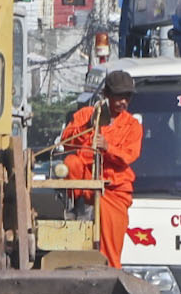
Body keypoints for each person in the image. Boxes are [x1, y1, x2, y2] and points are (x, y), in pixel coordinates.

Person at [59, 69, 144, 270]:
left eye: (127, 96)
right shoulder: (86, 115)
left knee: (110, 248)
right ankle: (76, 208)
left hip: (113, 190)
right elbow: (66, 141)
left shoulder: (133, 125)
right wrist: (88, 127)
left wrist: (108, 148)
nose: (123, 101)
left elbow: (129, 156)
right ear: (106, 94)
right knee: (72, 162)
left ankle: (109, 276)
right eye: (118, 96)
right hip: (84, 185)